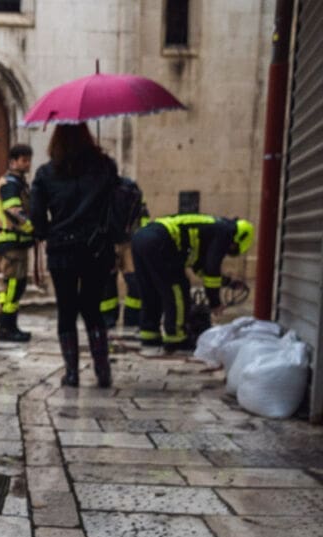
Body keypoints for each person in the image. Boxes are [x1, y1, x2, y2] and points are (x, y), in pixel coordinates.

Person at [29, 123, 117, 389]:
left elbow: (36, 215)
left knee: (66, 309)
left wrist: (47, 232)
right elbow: (116, 201)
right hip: (96, 248)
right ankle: (102, 370)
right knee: (92, 308)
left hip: (62, 249)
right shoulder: (105, 167)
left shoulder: (45, 173)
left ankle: (71, 373)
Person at [131, 214, 254, 351]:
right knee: (177, 290)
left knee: (150, 289)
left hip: (141, 238)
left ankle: (149, 334)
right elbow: (211, 269)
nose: (227, 251)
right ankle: (176, 338)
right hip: (162, 241)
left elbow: (201, 266)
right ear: (238, 238)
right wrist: (215, 302)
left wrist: (227, 282)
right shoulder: (224, 233)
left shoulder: (211, 227)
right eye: (232, 249)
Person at [0, 144, 36, 342]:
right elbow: (14, 211)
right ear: (12, 162)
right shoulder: (10, 184)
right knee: (14, 285)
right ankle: (7, 328)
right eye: (24, 160)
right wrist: (32, 229)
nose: (28, 164)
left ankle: (5, 321)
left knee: (11, 284)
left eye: (29, 160)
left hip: (15, 242)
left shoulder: (18, 183)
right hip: (11, 242)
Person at [100, 180, 149, 331]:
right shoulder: (98, 189)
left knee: (134, 281)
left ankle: (131, 318)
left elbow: (142, 215)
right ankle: (109, 318)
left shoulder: (130, 189)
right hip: (108, 242)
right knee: (107, 282)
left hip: (129, 242)